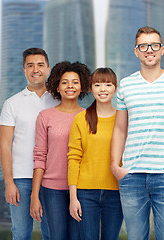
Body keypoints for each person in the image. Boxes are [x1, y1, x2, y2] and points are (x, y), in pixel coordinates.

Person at [110, 26, 164, 240]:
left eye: (154, 45)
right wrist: (115, 165)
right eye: (143, 46)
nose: (149, 50)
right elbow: (120, 129)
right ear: (136, 51)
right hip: (132, 176)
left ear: (162, 50)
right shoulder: (126, 85)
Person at [0, 48, 57, 240]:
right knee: (21, 233)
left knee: (53, 233)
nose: (35, 69)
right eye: (30, 65)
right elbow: (5, 145)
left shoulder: (59, 100)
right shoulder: (11, 103)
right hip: (21, 178)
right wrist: (9, 182)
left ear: (48, 69)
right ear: (24, 70)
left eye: (40, 65)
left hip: (52, 178)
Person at [30, 61, 90, 240]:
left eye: (75, 82)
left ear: (82, 87)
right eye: (64, 82)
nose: (70, 86)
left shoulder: (89, 117)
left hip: (82, 189)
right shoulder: (45, 117)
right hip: (52, 189)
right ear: (57, 86)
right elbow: (40, 156)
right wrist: (35, 194)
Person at [68, 67, 123, 239]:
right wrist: (73, 197)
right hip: (86, 193)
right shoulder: (80, 118)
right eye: (97, 85)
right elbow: (73, 158)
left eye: (108, 84)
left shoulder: (123, 119)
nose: (103, 89)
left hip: (116, 192)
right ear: (91, 88)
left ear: (115, 88)